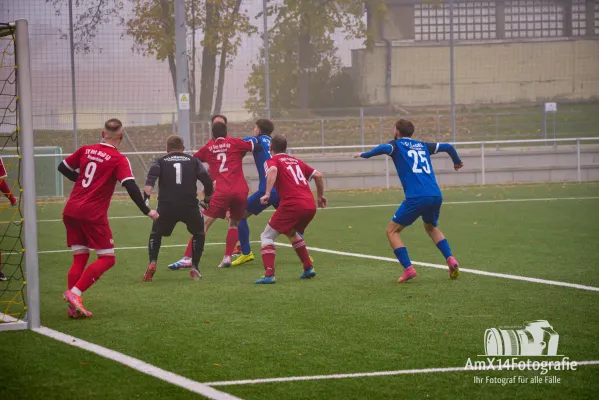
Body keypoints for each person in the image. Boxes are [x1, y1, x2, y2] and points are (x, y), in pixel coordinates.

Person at [59, 119, 158, 318]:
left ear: (102, 134)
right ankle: (75, 294)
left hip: (71, 210)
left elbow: (63, 167)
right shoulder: (118, 159)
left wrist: (79, 180)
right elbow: (130, 186)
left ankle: (73, 308)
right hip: (92, 213)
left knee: (80, 257)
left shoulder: (86, 150)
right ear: (121, 137)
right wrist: (148, 211)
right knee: (107, 258)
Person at [353, 119, 463, 283]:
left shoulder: (396, 145)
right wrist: (457, 162)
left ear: (397, 131)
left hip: (417, 197)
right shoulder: (423, 145)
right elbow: (448, 146)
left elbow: (384, 148)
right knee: (431, 227)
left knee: (392, 231)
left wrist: (365, 154)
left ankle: (408, 269)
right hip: (435, 195)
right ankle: (451, 259)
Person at [171, 121, 258, 269]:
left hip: (222, 191)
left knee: (202, 224)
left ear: (212, 134)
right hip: (241, 190)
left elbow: (194, 159)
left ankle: (188, 257)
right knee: (234, 223)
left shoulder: (209, 148)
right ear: (226, 132)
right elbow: (254, 145)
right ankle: (227, 257)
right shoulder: (235, 143)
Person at [254, 135, 326, 284]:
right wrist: (320, 196)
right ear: (285, 148)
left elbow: (273, 170)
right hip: (309, 205)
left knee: (266, 236)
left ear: (271, 148)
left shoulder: (271, 160)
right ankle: (308, 267)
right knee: (291, 232)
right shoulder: (296, 161)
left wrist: (267, 193)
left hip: (292, 204)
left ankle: (269, 275)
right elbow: (318, 175)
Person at [141, 135, 214, 282]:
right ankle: (194, 267)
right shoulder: (194, 161)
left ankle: (152, 263)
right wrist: (206, 200)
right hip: (189, 205)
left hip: (166, 206)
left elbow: (150, 182)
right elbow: (207, 182)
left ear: (167, 149)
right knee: (199, 232)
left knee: (156, 232)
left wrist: (146, 200)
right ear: (183, 148)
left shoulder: (160, 161)